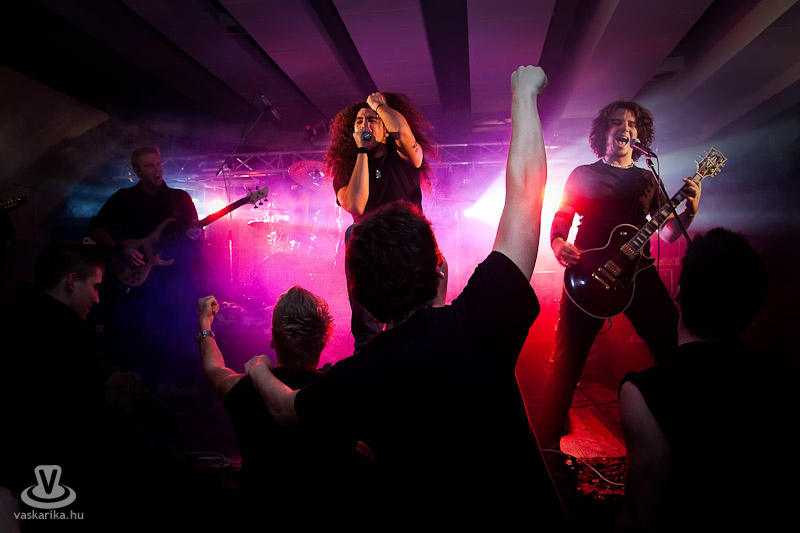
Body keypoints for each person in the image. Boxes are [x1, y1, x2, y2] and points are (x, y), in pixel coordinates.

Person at [245, 66, 567, 527]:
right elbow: (527, 195)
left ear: (360, 291)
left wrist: (258, 368)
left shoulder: (360, 374)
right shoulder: (481, 324)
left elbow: (283, 408)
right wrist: (523, 95)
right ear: (440, 270)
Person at [542, 100, 702, 449]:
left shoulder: (648, 178)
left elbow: (668, 233)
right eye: (617, 122)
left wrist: (690, 209)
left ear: (638, 134)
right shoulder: (583, 174)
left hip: (638, 271)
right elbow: (563, 214)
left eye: (631, 124)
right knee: (568, 356)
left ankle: (678, 429)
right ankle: (547, 441)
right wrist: (557, 242)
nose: (625, 128)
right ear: (604, 132)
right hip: (589, 270)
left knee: (669, 339)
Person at [616, 228, 794, 531]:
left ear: (678, 294)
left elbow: (641, 520)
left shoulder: (642, 393)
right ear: (752, 308)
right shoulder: (787, 381)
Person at [196, 287, 368, 513]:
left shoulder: (240, 389)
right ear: (323, 343)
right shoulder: (337, 396)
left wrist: (205, 325)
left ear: (273, 339)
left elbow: (213, 367)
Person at [0, 242, 109, 521]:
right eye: (95, 286)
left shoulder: (12, 316)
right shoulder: (67, 334)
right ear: (72, 281)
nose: (97, 298)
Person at [325, 91, 437, 352]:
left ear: (386, 129)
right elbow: (356, 205)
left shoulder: (404, 156)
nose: (364, 124)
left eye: (372, 119)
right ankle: (368, 349)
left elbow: (403, 132)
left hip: (407, 243)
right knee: (354, 231)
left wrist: (379, 105)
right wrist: (362, 151)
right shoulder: (346, 169)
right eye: (359, 121)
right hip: (371, 250)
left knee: (414, 321)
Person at [88, 146, 205, 395]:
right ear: (137, 170)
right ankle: (144, 386)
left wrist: (197, 236)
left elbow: (196, 235)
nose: (157, 170)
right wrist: (121, 249)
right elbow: (96, 229)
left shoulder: (179, 199)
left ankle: (175, 384)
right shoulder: (123, 198)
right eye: (150, 166)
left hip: (176, 279)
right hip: (139, 280)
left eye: (159, 164)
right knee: (139, 332)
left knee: (177, 331)